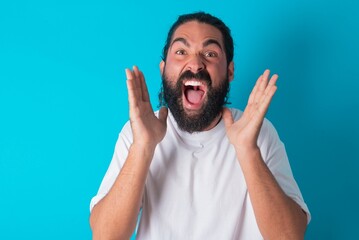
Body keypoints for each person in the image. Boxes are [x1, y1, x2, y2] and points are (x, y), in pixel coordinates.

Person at [89, 12, 311, 239]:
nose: (195, 63)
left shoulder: (258, 133)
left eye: (210, 53)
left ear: (230, 71)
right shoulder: (138, 133)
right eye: (181, 52)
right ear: (163, 68)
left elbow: (288, 236)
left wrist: (248, 149)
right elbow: (105, 236)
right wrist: (143, 147)